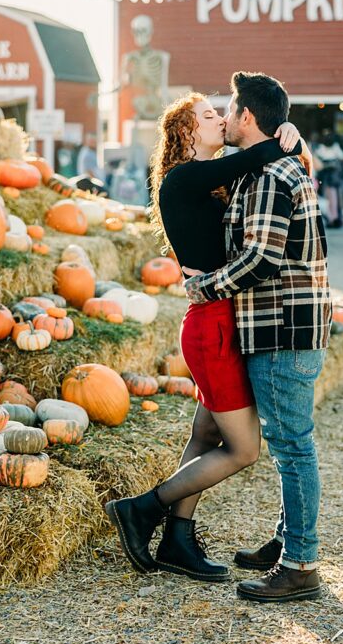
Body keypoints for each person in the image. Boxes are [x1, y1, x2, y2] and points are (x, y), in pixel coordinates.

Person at [105, 92, 306, 584]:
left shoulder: (210, 185)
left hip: (218, 320)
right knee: (243, 450)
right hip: (211, 325)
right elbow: (260, 152)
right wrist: (288, 137)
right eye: (210, 115)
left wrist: (291, 144)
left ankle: (178, 539)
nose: (221, 119)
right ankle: (141, 509)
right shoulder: (183, 178)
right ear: (186, 132)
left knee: (205, 434)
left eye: (222, 112)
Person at [186, 72, 331, 602]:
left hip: (281, 326)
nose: (223, 116)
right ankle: (287, 539)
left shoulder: (270, 172)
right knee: (289, 444)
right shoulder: (267, 166)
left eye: (229, 108)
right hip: (287, 323)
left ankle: (300, 565)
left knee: (293, 447)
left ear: (248, 116)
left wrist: (205, 287)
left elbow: (262, 258)